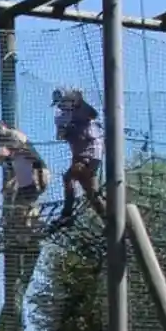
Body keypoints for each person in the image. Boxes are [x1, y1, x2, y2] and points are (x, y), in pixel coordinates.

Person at [0, 121, 50, 236]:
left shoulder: (13, 137)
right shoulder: (10, 144)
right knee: (19, 210)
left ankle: (31, 230)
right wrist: (13, 181)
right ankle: (32, 227)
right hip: (25, 181)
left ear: (2, 128)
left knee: (22, 210)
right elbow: (18, 162)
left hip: (34, 177)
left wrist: (39, 179)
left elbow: (35, 160)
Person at [52, 87, 104, 228]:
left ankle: (67, 214)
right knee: (92, 193)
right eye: (59, 104)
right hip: (77, 154)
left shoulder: (81, 111)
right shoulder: (61, 117)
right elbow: (60, 136)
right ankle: (109, 220)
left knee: (68, 177)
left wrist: (78, 100)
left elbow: (93, 114)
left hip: (90, 153)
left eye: (63, 102)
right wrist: (65, 129)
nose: (61, 106)